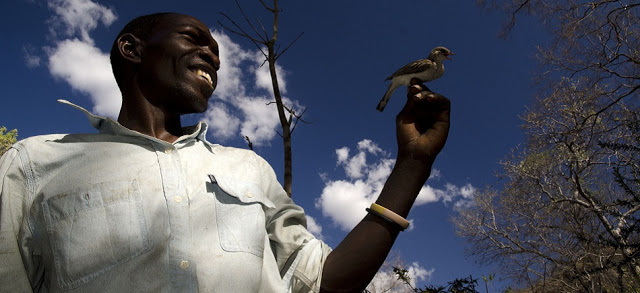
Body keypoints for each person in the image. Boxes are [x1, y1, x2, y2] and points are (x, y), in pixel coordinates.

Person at [0, 12, 450, 293]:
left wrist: (412, 166)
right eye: (194, 39)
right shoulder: (34, 165)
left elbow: (323, 282)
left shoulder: (248, 167)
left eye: (217, 53)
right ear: (132, 49)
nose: (213, 57)